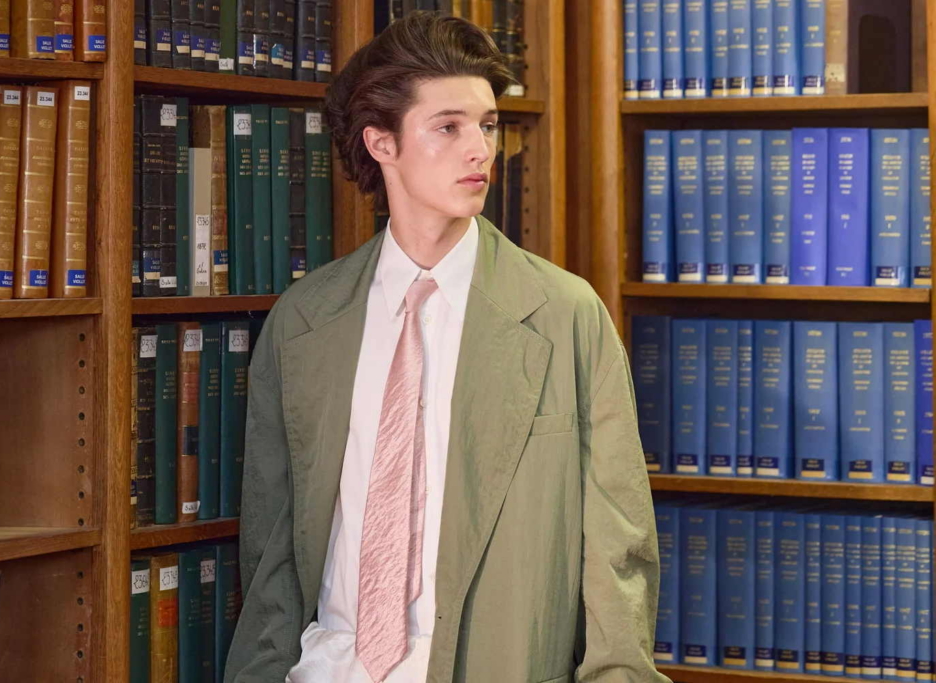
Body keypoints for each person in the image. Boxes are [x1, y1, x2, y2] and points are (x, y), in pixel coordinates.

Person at [224, 11, 667, 683]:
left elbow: (619, 552)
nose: (480, 150)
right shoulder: (303, 322)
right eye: (449, 126)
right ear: (382, 144)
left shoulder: (565, 315)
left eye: (488, 125)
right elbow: (270, 557)